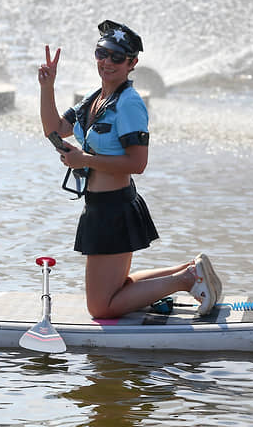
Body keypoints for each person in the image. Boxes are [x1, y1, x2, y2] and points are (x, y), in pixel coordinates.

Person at [38, 20, 223, 319]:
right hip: (100, 208)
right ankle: (189, 271)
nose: (107, 62)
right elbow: (54, 129)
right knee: (115, 290)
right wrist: (47, 88)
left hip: (114, 209)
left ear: (132, 63)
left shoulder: (128, 103)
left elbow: (138, 164)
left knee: (101, 307)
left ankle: (186, 280)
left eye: (117, 57)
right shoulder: (94, 99)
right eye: (102, 54)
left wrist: (84, 160)